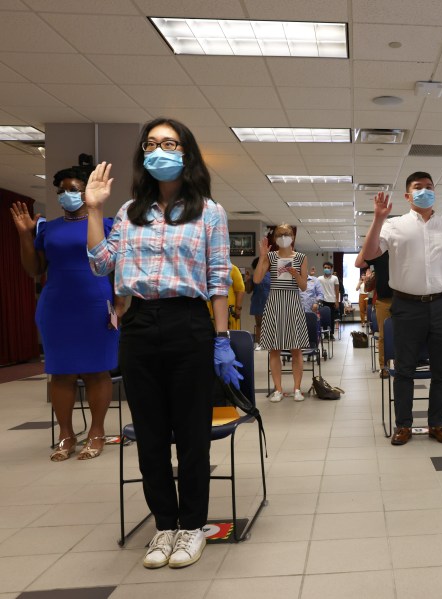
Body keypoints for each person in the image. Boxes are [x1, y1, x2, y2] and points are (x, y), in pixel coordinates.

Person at [85, 117, 240, 569]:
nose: (160, 150)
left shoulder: (209, 212)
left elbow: (216, 280)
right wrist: (94, 210)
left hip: (189, 323)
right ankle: (164, 527)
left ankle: (192, 527)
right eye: (151, 144)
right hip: (138, 324)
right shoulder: (129, 211)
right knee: (150, 436)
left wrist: (221, 339)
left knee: (191, 435)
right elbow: (101, 265)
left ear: (186, 153)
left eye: (169, 143)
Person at [10, 165, 120, 461]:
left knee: (97, 370)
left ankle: (96, 431)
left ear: (86, 191)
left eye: (73, 189)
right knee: (60, 373)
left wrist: (120, 306)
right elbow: (35, 269)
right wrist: (24, 235)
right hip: (57, 305)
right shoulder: (49, 228)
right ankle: (66, 434)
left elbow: (117, 267)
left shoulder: (107, 224)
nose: (66, 195)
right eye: (61, 191)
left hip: (95, 303)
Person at [360, 171, 442, 446]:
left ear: (435, 192)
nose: (424, 191)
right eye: (418, 188)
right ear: (408, 196)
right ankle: (403, 426)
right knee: (405, 368)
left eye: (429, 187)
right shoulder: (394, 225)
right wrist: (378, 218)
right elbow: (369, 255)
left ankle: (436, 424)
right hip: (406, 306)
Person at [253, 224, 310, 402]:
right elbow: (256, 279)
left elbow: (303, 286)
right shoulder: (270, 256)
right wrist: (262, 257)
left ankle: (297, 388)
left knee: (296, 349)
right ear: (275, 238)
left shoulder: (301, 257)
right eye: (280, 235)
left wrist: (295, 274)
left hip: (293, 301)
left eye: (286, 235)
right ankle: (278, 389)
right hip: (274, 301)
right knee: (274, 349)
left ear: (292, 237)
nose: (283, 238)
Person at [357, 251, 393, 378]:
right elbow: (359, 263)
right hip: (383, 300)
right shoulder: (379, 253)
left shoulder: (402, 250)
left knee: (403, 335)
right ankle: (384, 367)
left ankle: (403, 365)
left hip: (402, 299)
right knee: (384, 335)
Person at [208, 263, 244, 330]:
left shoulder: (232, 268)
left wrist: (238, 309)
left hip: (229, 308)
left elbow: (240, 290)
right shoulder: (207, 268)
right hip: (209, 306)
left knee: (229, 333)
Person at [249, 256, 270, 348]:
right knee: (259, 324)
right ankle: (258, 343)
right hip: (258, 302)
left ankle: (270, 342)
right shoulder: (254, 276)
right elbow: (248, 290)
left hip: (271, 302)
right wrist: (248, 279)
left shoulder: (272, 275)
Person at [318, 261, 341, 338]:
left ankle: (331, 334)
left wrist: (337, 301)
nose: (326, 269)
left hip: (332, 300)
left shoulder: (335, 278)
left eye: (328, 268)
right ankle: (325, 333)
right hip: (323, 301)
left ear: (331, 269)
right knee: (324, 318)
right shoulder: (319, 278)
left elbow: (337, 290)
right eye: (325, 268)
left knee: (331, 318)